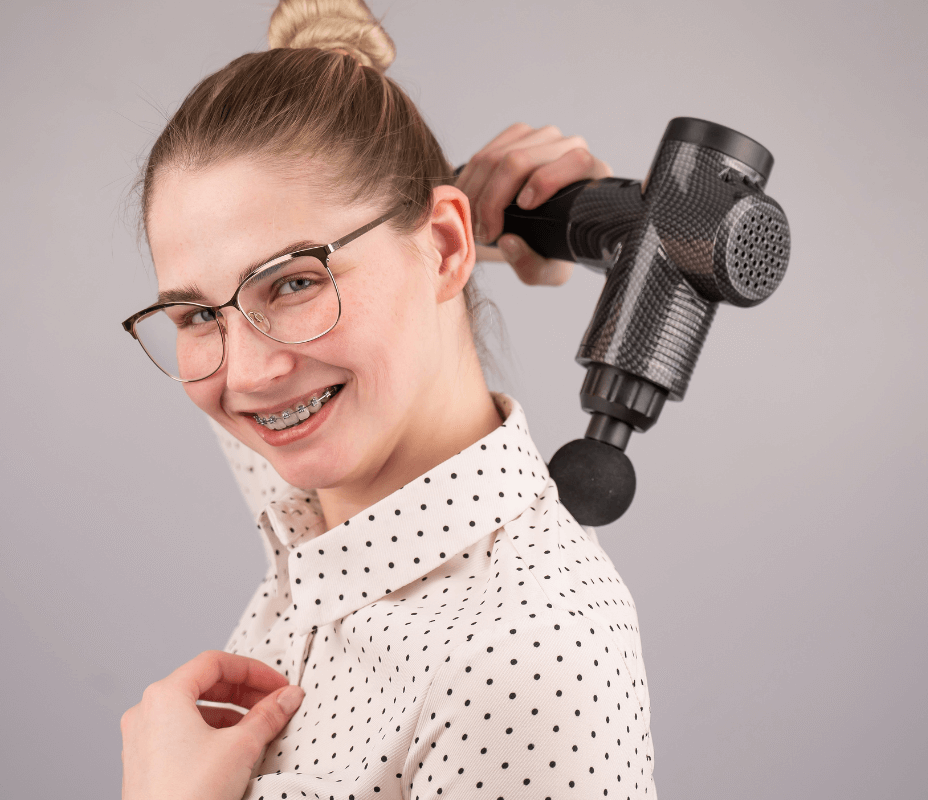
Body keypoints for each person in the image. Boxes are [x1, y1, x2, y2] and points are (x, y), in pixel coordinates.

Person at [117, 1, 656, 799]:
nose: (248, 375)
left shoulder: (526, 661)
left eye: (294, 282)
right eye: (196, 315)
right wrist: (488, 234)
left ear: (445, 245)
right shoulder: (316, 492)